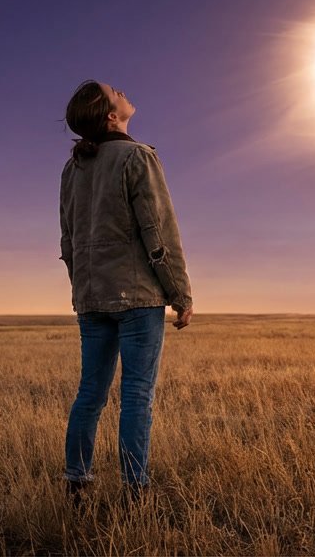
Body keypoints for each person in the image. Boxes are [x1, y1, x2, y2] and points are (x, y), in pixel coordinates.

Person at [58, 79, 193, 507]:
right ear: (111, 116)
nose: (122, 90)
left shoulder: (72, 168)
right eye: (114, 91)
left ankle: (76, 484)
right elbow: (158, 233)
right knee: (137, 395)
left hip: (92, 296)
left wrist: (84, 287)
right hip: (137, 296)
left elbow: (67, 240)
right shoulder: (138, 156)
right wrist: (181, 293)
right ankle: (135, 492)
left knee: (90, 394)